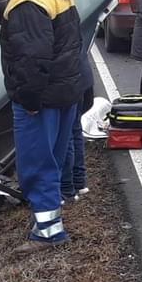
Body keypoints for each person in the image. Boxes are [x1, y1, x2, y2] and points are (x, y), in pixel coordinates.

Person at [0, 0, 83, 246]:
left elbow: (31, 58)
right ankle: (50, 216)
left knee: (36, 163)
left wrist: (29, 99)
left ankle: (47, 231)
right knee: (53, 157)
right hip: (65, 89)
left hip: (41, 98)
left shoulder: (26, 1)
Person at [60, 37, 93, 203]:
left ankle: (66, 188)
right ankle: (79, 182)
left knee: (65, 135)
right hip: (79, 76)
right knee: (74, 129)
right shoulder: (69, 20)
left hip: (67, 80)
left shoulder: (49, 23)